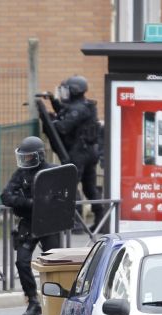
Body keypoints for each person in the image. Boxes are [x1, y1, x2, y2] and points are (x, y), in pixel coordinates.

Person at [1, 136, 60, 315]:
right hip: (28, 222)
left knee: (54, 262)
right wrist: (29, 203)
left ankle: (57, 299)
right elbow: (6, 196)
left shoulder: (51, 172)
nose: (25, 161)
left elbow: (62, 196)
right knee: (22, 261)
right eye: (23, 157)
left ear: (39, 156)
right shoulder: (21, 174)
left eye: (29, 157)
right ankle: (33, 300)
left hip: (49, 222)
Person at [53, 75, 104, 230]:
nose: (65, 93)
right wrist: (54, 103)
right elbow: (65, 111)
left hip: (79, 153)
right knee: (90, 187)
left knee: (70, 185)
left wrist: (52, 122)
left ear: (74, 91)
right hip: (90, 151)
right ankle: (101, 221)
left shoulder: (78, 109)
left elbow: (63, 127)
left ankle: (76, 223)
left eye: (67, 90)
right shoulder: (85, 105)